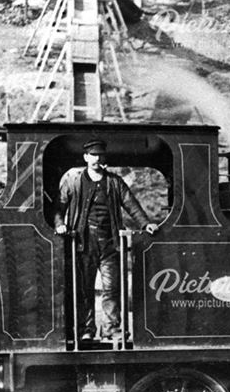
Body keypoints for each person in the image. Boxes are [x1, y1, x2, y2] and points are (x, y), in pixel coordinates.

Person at [54, 139, 158, 341]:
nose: (97, 159)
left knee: (112, 288)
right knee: (84, 290)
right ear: (86, 157)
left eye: (100, 155)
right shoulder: (73, 182)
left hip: (110, 245)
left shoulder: (114, 182)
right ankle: (85, 330)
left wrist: (145, 224)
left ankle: (111, 330)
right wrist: (60, 224)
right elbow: (59, 207)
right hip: (83, 244)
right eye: (93, 155)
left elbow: (131, 204)